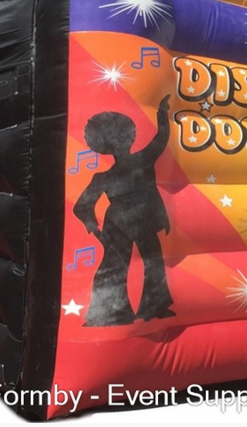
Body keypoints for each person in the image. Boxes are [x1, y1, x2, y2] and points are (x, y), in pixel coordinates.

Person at [73, 95, 175, 326]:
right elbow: (161, 139)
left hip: (128, 220)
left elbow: (82, 206)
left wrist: (94, 228)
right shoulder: (140, 160)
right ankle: (139, 310)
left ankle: (124, 312)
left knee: (131, 264)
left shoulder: (110, 174)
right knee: (140, 263)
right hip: (131, 220)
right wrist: (162, 113)